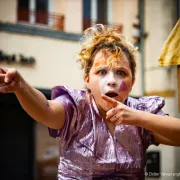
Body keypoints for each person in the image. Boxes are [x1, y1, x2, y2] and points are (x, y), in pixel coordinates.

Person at [0, 24, 180, 179]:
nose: (111, 80)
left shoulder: (141, 111)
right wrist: (20, 86)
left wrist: (139, 118)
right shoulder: (76, 107)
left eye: (121, 73)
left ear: (132, 82)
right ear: (87, 79)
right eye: (102, 72)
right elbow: (46, 109)